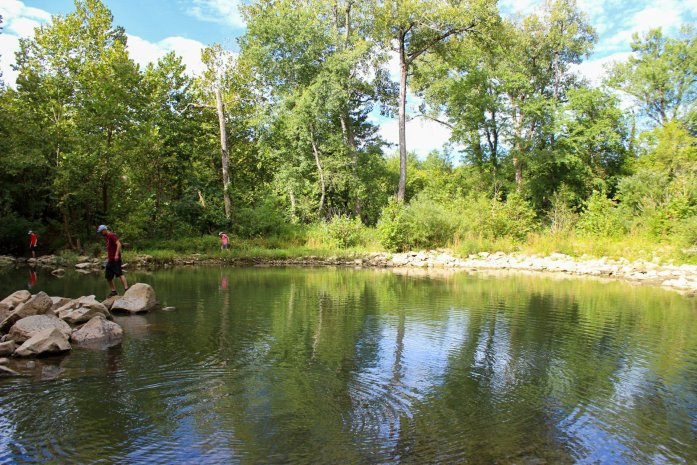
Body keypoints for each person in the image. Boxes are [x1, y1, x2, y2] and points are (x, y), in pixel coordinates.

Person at [98, 225, 129, 297]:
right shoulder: (107, 237)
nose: (101, 234)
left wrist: (116, 255)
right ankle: (113, 291)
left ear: (104, 230)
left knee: (120, 274)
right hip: (110, 259)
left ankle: (126, 289)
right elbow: (110, 248)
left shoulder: (112, 235)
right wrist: (107, 257)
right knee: (108, 276)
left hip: (115, 259)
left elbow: (118, 244)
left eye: (101, 232)